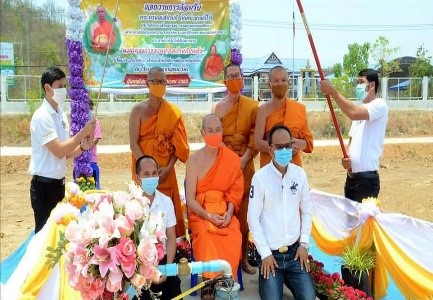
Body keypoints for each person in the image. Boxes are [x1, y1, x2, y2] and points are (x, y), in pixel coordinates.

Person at [248, 125, 315, 300]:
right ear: (270, 150)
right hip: (271, 255)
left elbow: (307, 210)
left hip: (294, 253)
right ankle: (272, 280)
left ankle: (288, 279)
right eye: (279, 147)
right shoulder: (260, 178)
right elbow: (252, 219)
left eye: (287, 145)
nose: (284, 150)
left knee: (308, 297)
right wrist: (265, 254)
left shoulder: (300, 175)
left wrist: (304, 244)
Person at [29, 66, 96, 233]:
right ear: (47, 88)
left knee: (60, 234)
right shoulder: (41, 116)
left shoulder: (60, 114)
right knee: (44, 237)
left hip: (58, 185)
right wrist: (82, 133)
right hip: (43, 186)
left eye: (64, 86)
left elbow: (64, 154)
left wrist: (81, 147)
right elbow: (58, 150)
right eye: (59, 87)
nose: (63, 91)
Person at [185, 114, 243, 296]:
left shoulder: (231, 159)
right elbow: (190, 198)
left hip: (224, 211)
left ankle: (226, 281)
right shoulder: (194, 160)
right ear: (203, 132)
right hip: (201, 214)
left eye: (218, 130)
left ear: (222, 132)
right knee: (205, 236)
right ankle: (208, 283)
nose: (214, 134)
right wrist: (208, 216)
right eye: (210, 130)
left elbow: (235, 190)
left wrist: (229, 212)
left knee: (234, 232)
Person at [129, 66, 189, 237]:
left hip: (165, 172)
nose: (159, 84)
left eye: (162, 81)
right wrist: (147, 171)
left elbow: (180, 149)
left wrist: (168, 167)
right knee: (142, 208)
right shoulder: (137, 111)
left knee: (167, 211)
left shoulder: (173, 113)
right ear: (147, 84)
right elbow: (133, 144)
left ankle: (172, 250)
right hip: (143, 172)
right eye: (155, 81)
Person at [212, 63, 258, 275]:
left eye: (237, 75)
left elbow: (255, 136)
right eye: (230, 76)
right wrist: (232, 159)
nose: (234, 79)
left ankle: (244, 258)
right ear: (224, 82)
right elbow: (215, 137)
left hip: (246, 163)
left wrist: (244, 158)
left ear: (243, 78)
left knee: (245, 212)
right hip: (225, 163)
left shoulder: (252, 106)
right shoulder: (218, 107)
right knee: (225, 209)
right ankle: (226, 258)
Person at [320, 69, 388, 202]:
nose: (358, 86)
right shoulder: (360, 109)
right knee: (350, 221)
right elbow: (350, 142)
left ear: (372, 85)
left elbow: (353, 112)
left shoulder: (379, 105)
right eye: (357, 82)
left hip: (367, 180)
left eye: (361, 82)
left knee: (363, 220)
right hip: (352, 179)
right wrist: (345, 159)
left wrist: (332, 91)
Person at [134, 155, 181, 300]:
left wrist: (167, 269)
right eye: (146, 174)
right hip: (138, 266)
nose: (151, 177)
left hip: (163, 262)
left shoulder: (166, 202)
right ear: (137, 177)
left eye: (154, 173)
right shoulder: (131, 203)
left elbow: (171, 237)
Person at [254, 65, 313, 168]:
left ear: (288, 83)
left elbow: (308, 144)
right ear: (269, 84)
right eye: (276, 81)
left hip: (294, 168)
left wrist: (298, 144)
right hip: (270, 168)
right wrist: (280, 149)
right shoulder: (263, 110)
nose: (280, 84)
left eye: (283, 80)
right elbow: (257, 143)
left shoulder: (299, 109)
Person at [88, 99, 102, 189]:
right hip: (80, 159)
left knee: (93, 186)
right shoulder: (77, 121)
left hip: (92, 158)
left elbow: (97, 137)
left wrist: (89, 146)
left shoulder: (94, 121)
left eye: (89, 107)